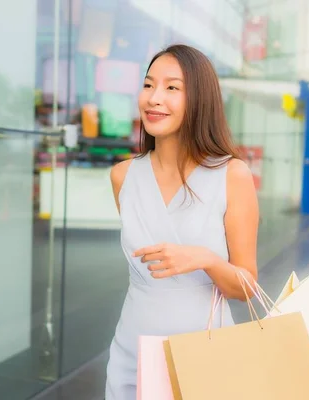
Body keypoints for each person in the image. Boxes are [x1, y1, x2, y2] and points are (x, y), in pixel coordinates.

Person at [104, 44, 260, 399]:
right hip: (133, 350)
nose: (154, 97)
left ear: (200, 100)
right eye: (148, 85)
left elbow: (247, 287)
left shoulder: (231, 175)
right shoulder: (122, 176)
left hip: (205, 354)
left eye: (172, 88)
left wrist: (204, 259)